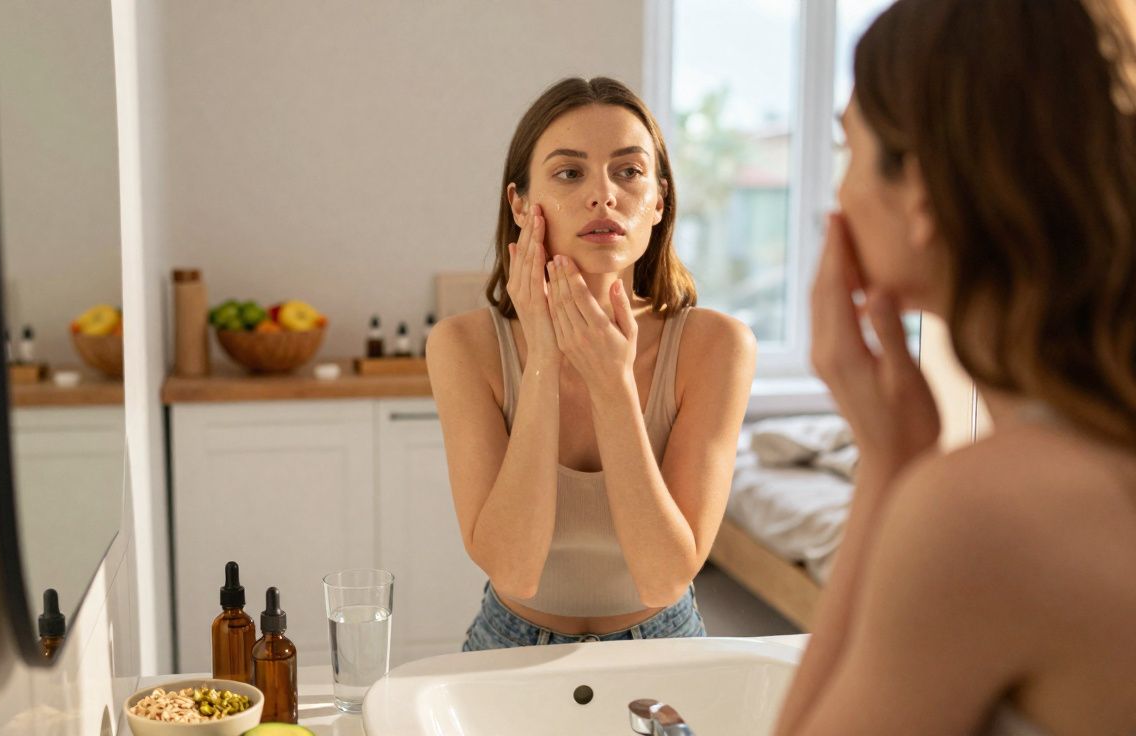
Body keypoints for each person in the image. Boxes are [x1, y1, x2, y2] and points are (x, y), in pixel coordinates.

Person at [774, 0, 1136, 733]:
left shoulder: (982, 514)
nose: (837, 196)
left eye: (847, 150)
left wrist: (888, 464)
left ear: (921, 196)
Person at [426, 77, 756, 650]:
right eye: (569, 173)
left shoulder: (717, 347)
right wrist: (543, 358)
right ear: (520, 204)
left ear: (659, 200)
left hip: (664, 642)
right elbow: (514, 570)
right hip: (509, 642)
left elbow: (664, 577)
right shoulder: (461, 346)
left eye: (628, 171)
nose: (604, 195)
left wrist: (613, 384)